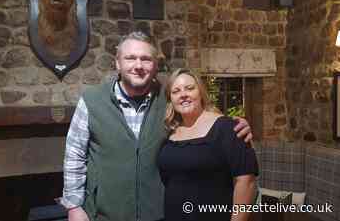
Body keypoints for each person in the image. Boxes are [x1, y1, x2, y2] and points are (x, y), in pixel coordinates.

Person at [60, 31, 253, 221]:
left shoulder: (169, 99)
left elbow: (199, 116)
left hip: (159, 213)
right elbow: (74, 156)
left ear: (155, 66)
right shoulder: (92, 101)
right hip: (105, 213)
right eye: (130, 58)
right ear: (117, 63)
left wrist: (233, 125)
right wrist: (74, 206)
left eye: (146, 59)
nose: (138, 65)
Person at [157, 68, 258, 221]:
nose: (183, 94)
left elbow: (246, 182)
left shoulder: (228, 128)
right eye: (176, 91)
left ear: (201, 92)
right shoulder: (171, 133)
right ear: (171, 99)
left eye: (190, 88)